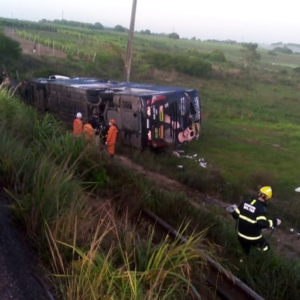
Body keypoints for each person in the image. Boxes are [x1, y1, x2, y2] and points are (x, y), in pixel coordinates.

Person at [231, 186, 281, 255]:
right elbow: (262, 223)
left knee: (245, 253)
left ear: (259, 193)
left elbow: (234, 215)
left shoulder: (245, 202)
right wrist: (275, 222)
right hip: (253, 238)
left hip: (240, 236)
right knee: (266, 248)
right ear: (268, 198)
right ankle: (256, 256)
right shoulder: (261, 209)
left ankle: (244, 260)